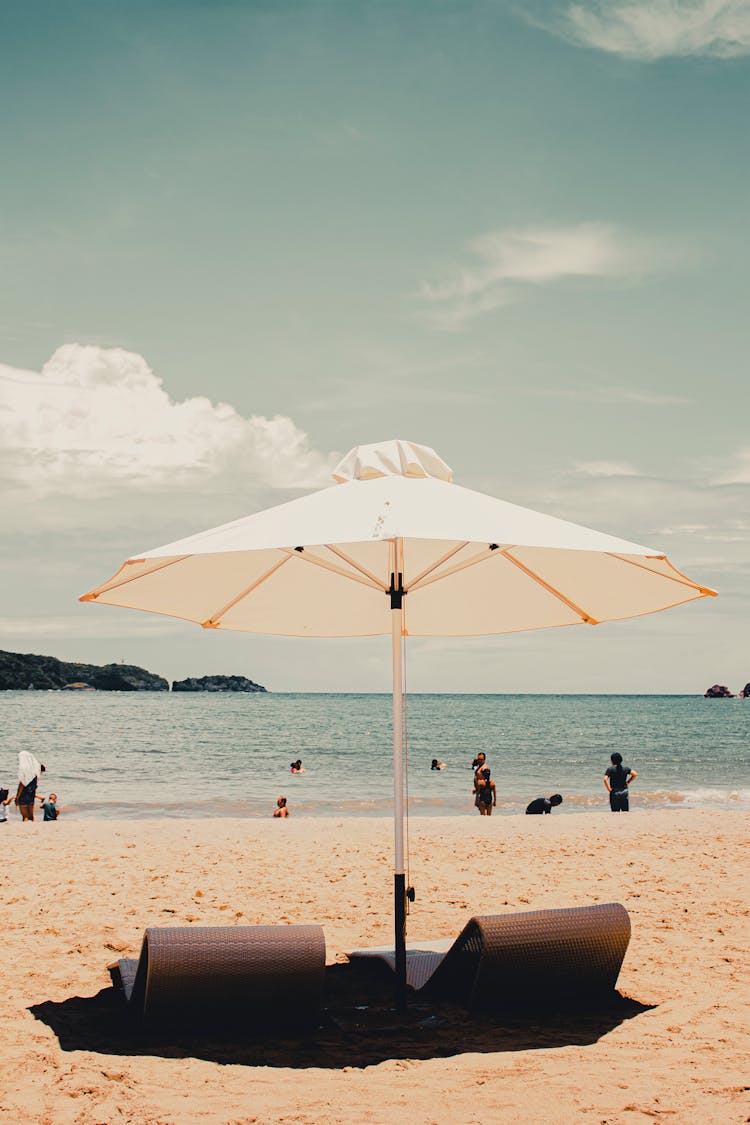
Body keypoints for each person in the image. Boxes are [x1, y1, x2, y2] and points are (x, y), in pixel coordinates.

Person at [15, 753, 45, 822]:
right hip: (31, 796)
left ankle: (26, 830)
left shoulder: (25, 773)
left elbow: (21, 786)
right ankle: (34, 827)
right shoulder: (35, 775)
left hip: (23, 796)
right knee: (31, 816)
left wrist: (18, 797)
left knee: (25, 816)